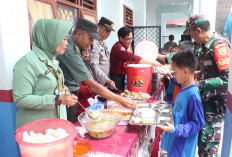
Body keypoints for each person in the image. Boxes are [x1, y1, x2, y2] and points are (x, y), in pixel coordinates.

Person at [57, 18, 137, 123]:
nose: (91, 43)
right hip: (67, 97)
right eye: (90, 39)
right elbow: (92, 84)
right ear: (79, 34)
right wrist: (120, 100)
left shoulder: (75, 47)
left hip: (71, 95)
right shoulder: (70, 50)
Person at [13, 19, 78, 128]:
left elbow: (48, 84)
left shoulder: (51, 59)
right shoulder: (28, 62)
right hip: (36, 131)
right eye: (64, 39)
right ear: (50, 37)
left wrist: (63, 88)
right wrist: (58, 99)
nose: (67, 43)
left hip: (54, 126)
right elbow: (21, 99)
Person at [184, 14, 231, 157]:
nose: (191, 37)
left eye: (191, 33)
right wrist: (197, 74)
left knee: (209, 145)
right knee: (202, 142)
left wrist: (200, 83)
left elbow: (227, 79)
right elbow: (210, 70)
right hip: (204, 101)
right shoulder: (205, 45)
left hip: (214, 104)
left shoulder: (219, 45)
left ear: (198, 30)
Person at [157, 51, 205, 157]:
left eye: (174, 72)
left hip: (183, 147)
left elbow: (198, 123)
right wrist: (168, 104)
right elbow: (181, 108)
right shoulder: (183, 87)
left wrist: (175, 129)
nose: (173, 75)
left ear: (185, 71)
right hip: (175, 141)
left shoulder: (193, 95)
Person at [110, 26, 161, 90]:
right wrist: (152, 62)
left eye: (131, 38)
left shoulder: (124, 46)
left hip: (122, 76)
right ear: (121, 38)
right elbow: (132, 57)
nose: (130, 41)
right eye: (128, 39)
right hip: (116, 77)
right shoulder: (118, 48)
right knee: (116, 95)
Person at [87, 17, 117, 90]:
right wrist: (106, 80)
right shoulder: (94, 42)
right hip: (97, 82)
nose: (109, 34)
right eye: (107, 30)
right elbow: (93, 65)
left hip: (103, 82)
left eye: (110, 31)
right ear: (99, 27)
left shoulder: (102, 41)